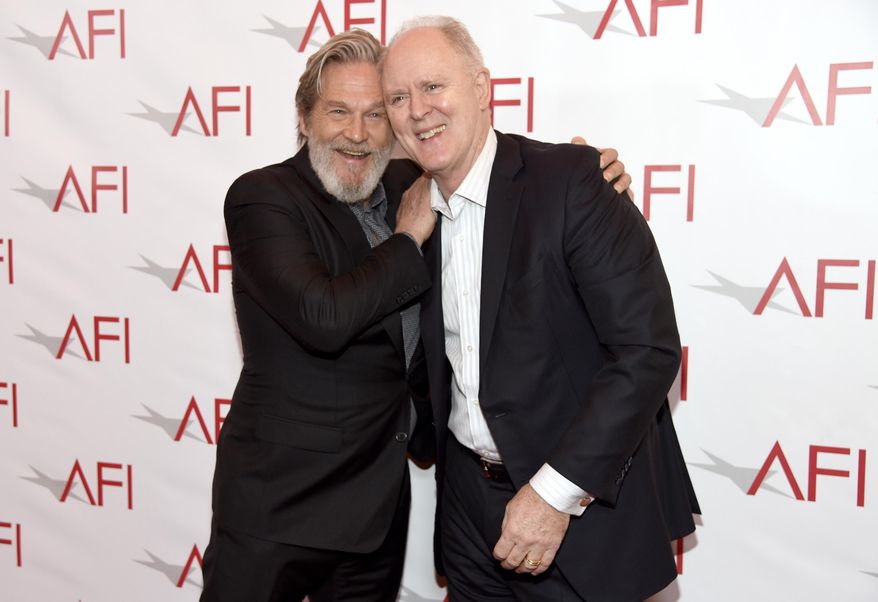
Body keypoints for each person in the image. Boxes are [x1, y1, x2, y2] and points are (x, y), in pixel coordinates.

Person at [200, 28, 629, 602]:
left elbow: (491, 180)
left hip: (375, 511)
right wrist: (408, 238)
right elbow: (323, 316)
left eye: (377, 114)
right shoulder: (263, 197)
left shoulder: (409, 182)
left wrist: (584, 175)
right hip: (277, 507)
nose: (357, 134)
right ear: (304, 118)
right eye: (337, 112)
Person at [381, 17, 701, 602]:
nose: (417, 110)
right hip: (467, 515)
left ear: (482, 89)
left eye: (433, 87)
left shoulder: (572, 181)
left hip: (579, 509)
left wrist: (554, 495)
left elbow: (647, 351)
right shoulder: (409, 209)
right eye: (398, 98)